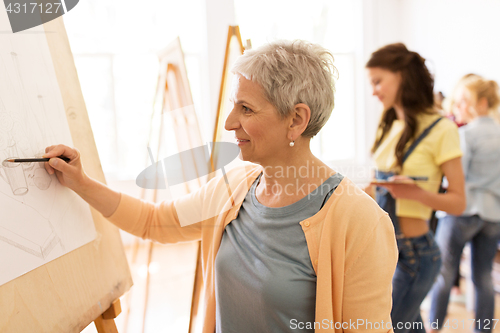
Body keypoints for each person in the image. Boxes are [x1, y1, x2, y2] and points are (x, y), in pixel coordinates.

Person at [44, 40, 397, 333]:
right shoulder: (235, 188)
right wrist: (80, 181)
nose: (229, 123)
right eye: (234, 106)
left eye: (246, 109)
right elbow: (153, 221)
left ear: (297, 119)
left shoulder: (360, 223)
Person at [365, 43, 466, 333]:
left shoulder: (441, 129)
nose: (374, 91)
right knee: (407, 325)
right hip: (390, 251)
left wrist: (417, 194)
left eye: (377, 81)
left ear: (402, 77)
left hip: (416, 255)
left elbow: (459, 203)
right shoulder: (390, 123)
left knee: (391, 326)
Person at [429, 75, 500, 333]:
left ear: (481, 102)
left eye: (463, 102)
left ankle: (434, 326)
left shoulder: (465, 135)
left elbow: (456, 178)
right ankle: (484, 330)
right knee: (483, 277)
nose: (458, 108)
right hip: (493, 215)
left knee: (444, 272)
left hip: (462, 211)